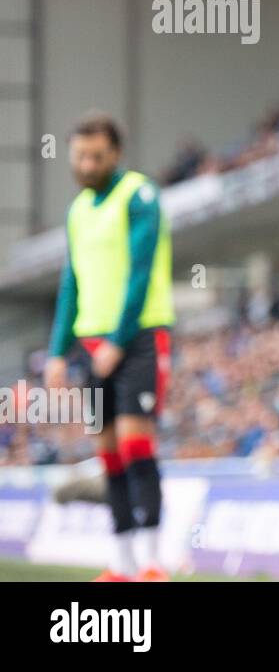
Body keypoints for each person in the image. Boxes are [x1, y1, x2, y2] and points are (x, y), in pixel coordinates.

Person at [43, 113, 174, 582]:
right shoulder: (78, 210)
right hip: (92, 346)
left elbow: (139, 273)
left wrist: (118, 343)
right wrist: (58, 352)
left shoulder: (139, 196)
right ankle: (122, 562)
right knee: (110, 454)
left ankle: (156, 561)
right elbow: (70, 282)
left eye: (96, 156)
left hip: (138, 340)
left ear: (115, 154)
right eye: (80, 156)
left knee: (138, 445)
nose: (87, 163)